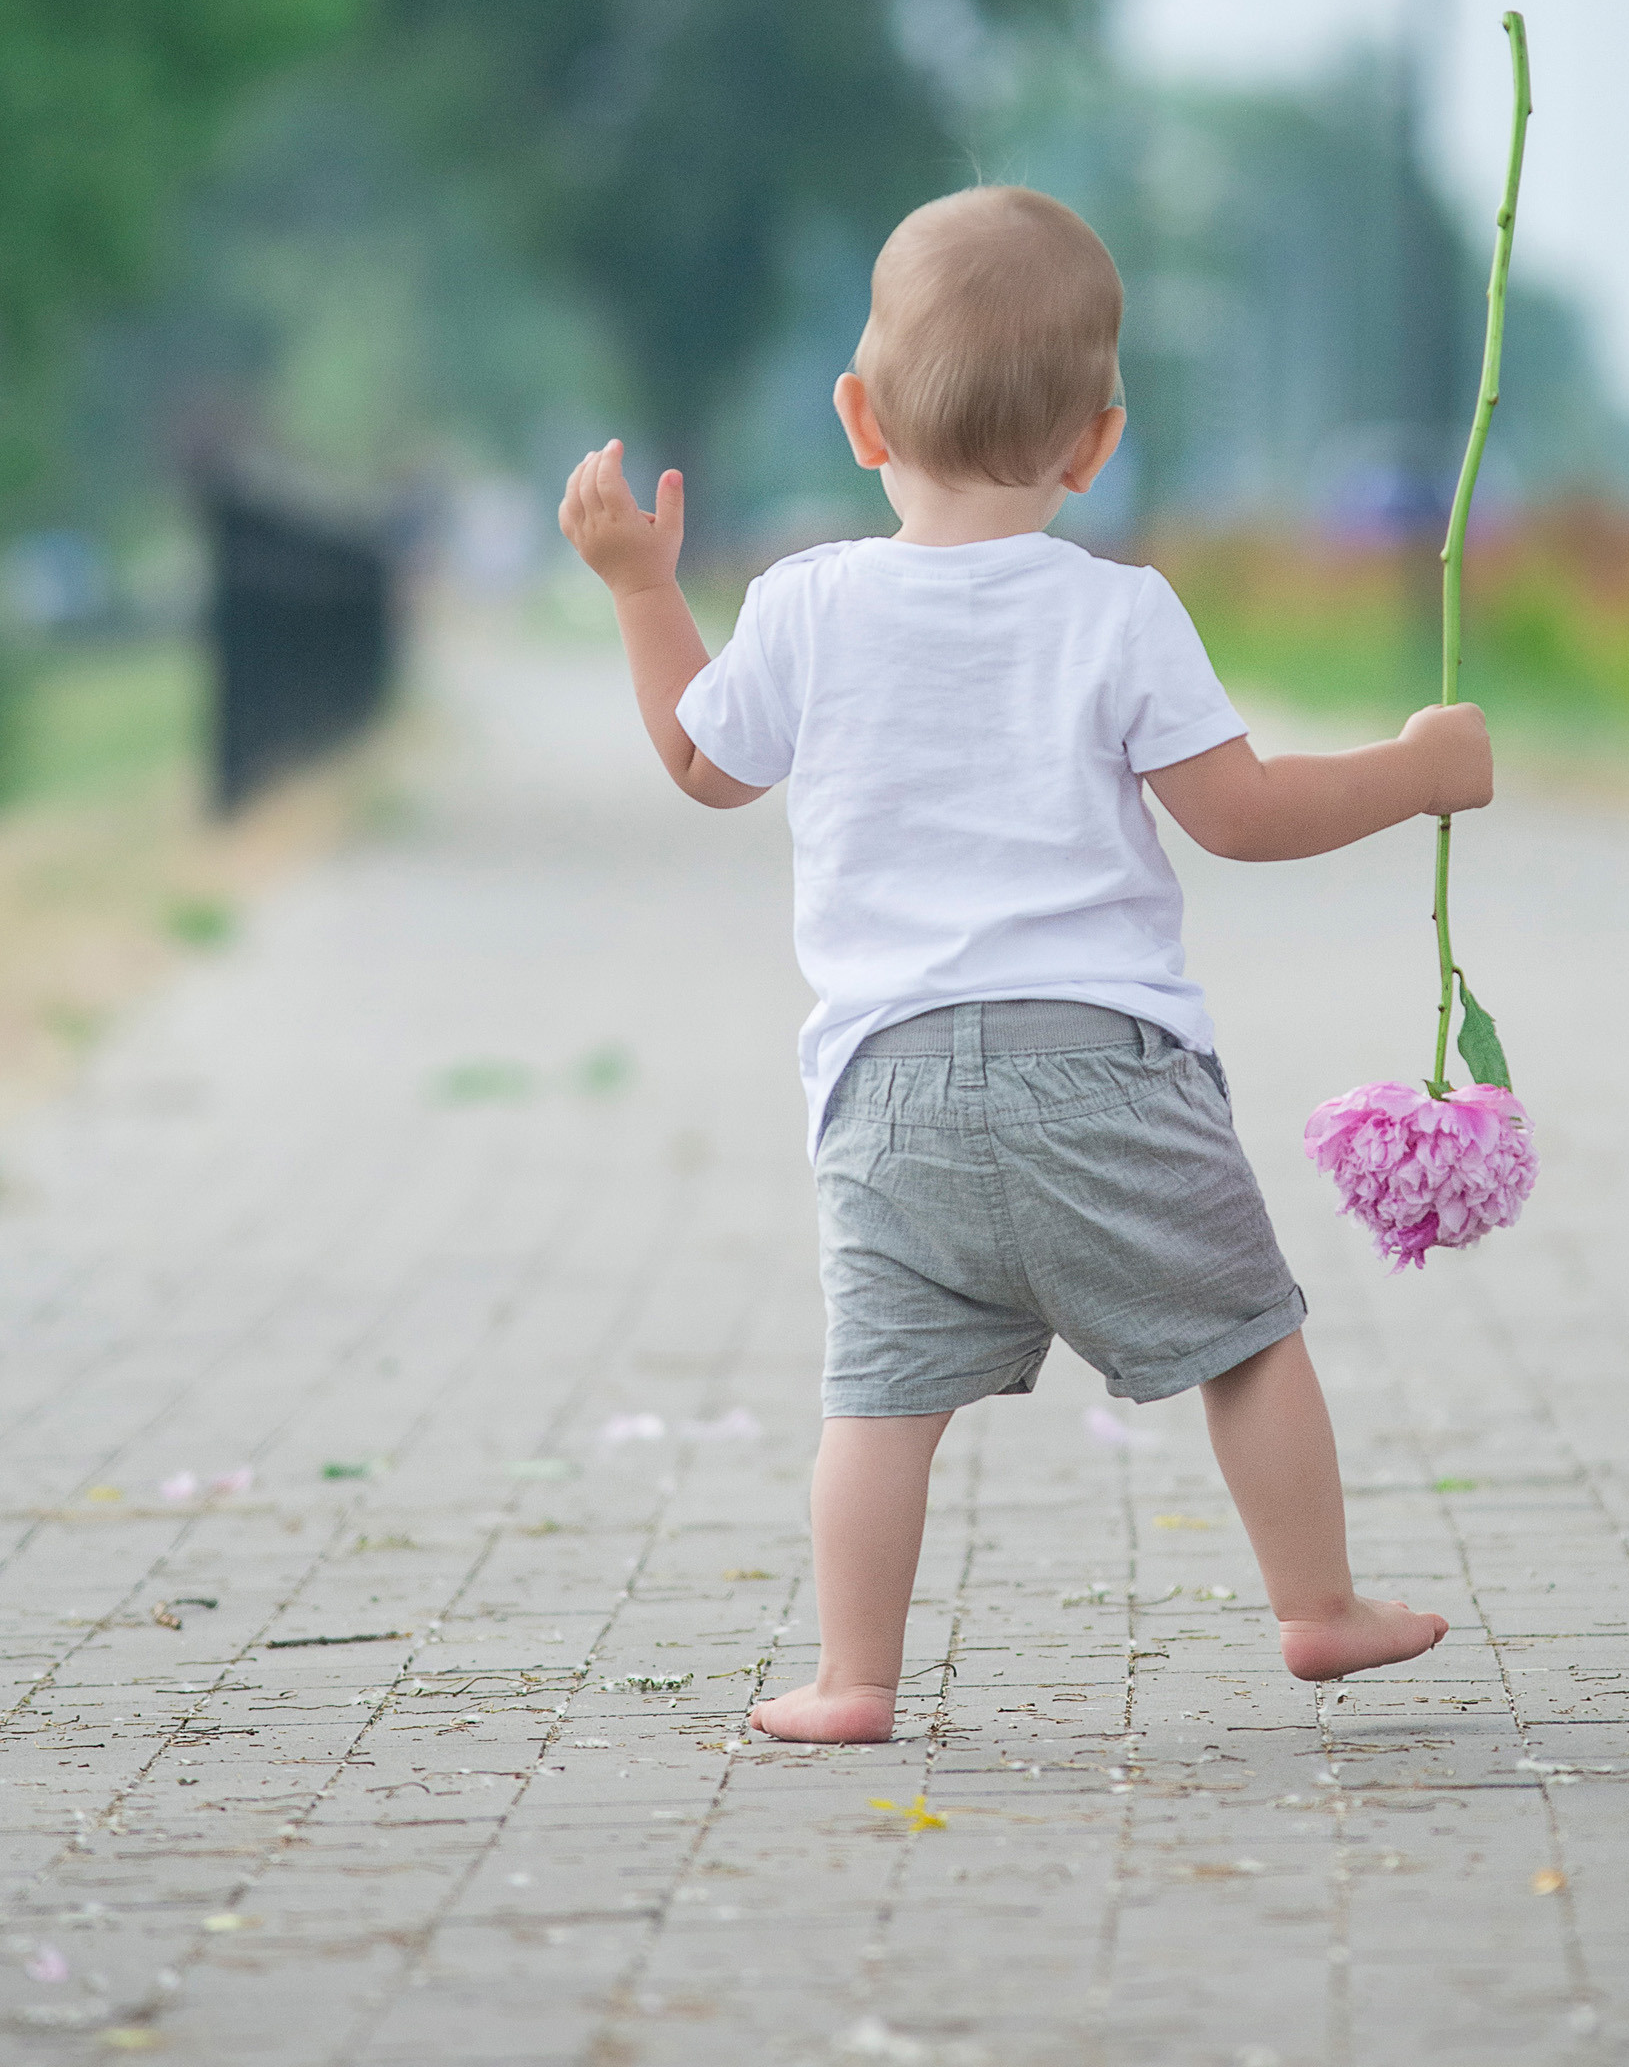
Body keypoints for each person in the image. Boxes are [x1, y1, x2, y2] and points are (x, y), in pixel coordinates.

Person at [559, 185, 1492, 1745]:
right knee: (1247, 1341)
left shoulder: (803, 603)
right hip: (1107, 1073)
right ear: (1098, 443)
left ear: (859, 418)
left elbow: (703, 766)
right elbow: (1243, 819)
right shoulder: (1121, 613)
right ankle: (1318, 1605)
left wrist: (643, 588)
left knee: (879, 1401)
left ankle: (855, 1679)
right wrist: (1416, 771)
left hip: (888, 1095)